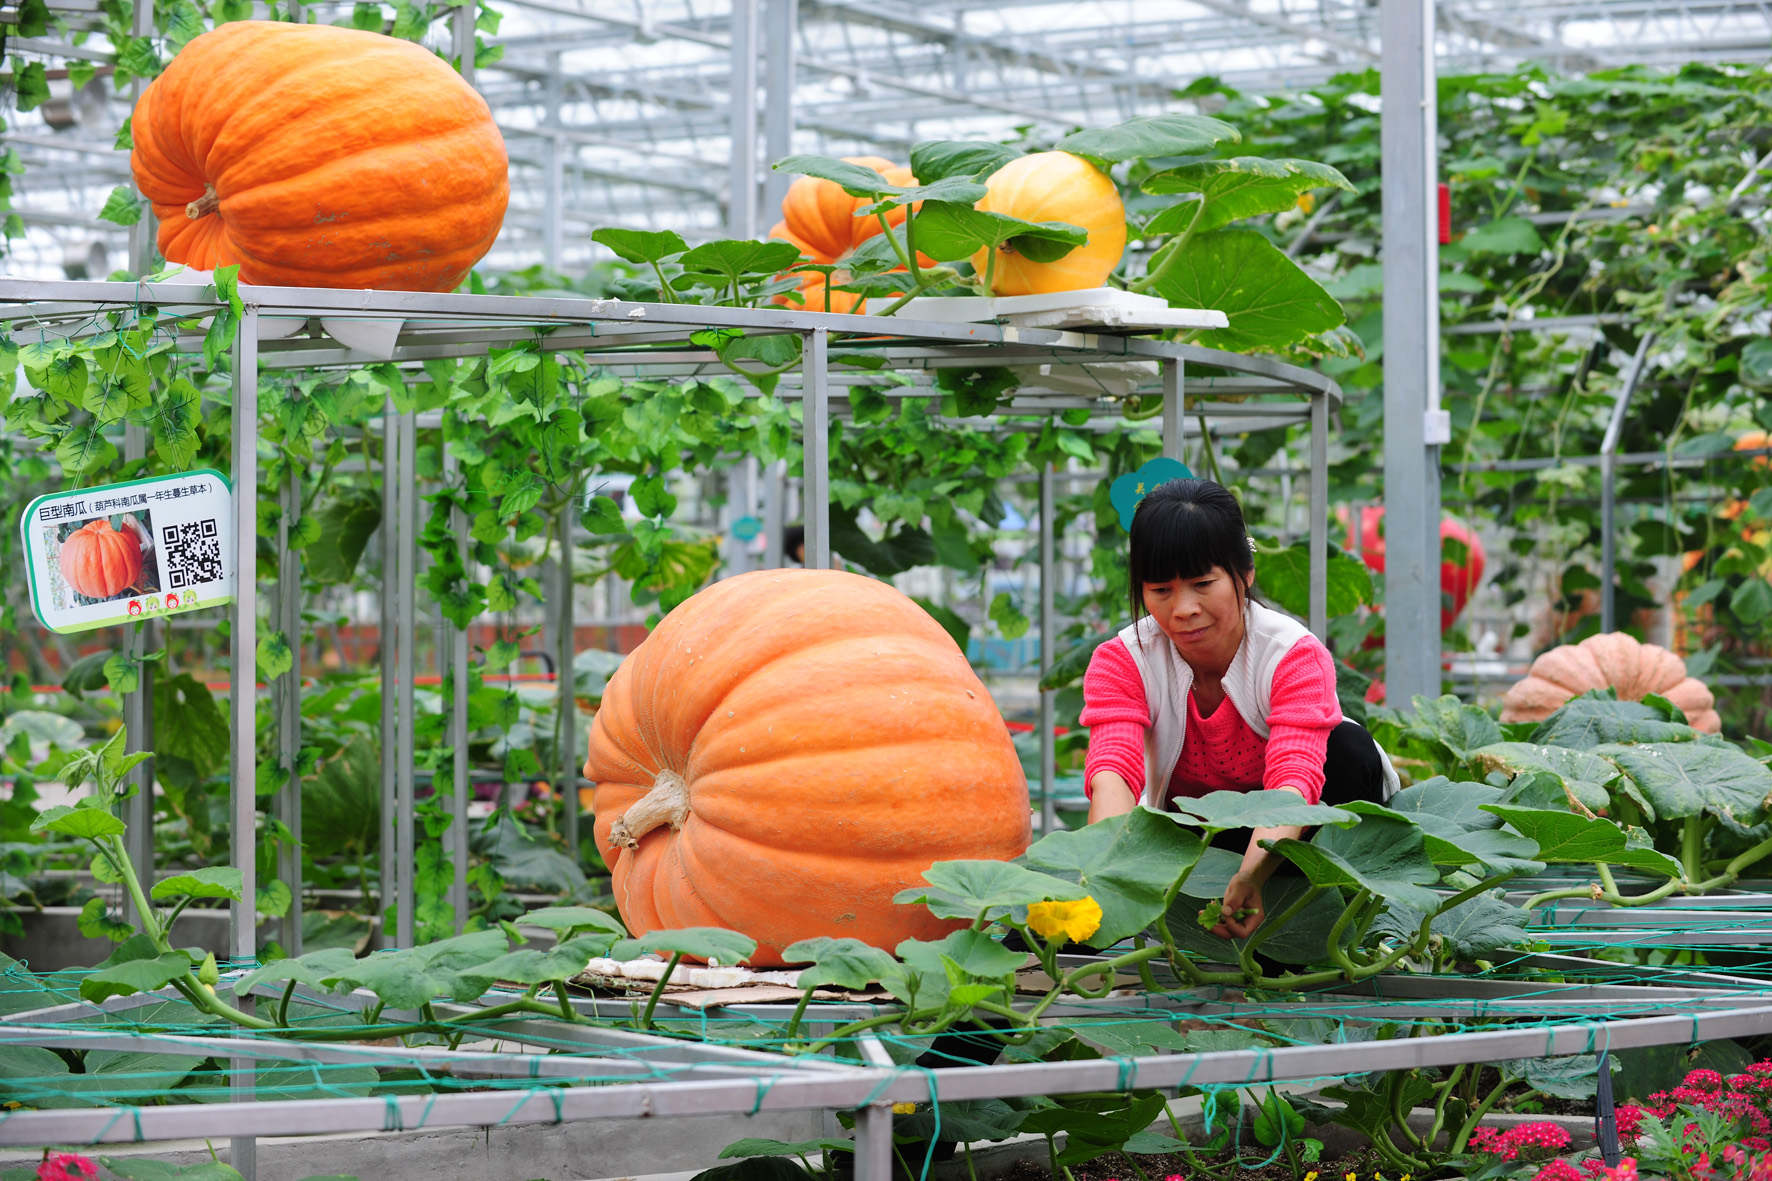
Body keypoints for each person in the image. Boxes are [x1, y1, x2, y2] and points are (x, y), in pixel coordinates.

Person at [1082, 478, 1395, 940]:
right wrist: (1101, 875)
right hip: (1203, 837)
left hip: (1303, 826)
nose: (1183, 608)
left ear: (1244, 574)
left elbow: (1294, 778)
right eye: (1161, 590)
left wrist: (1251, 877)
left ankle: (1329, 920)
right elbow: (1114, 771)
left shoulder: (1292, 653)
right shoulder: (1122, 660)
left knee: (1348, 749)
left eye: (1202, 583)